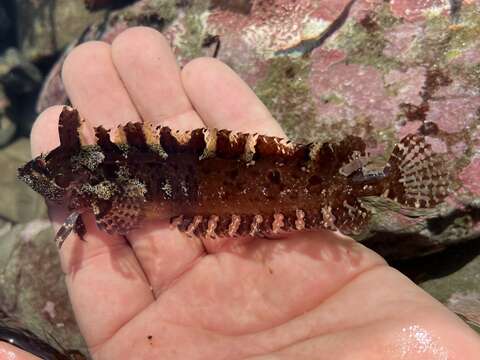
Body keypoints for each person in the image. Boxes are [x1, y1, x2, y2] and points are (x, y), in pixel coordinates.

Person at [3, 26, 480, 359]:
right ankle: (381, 185)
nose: (41, 179)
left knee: (277, 195)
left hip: (220, 190)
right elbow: (122, 203)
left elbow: (121, 209)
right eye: (47, 174)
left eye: (47, 177)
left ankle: (389, 183)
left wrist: (93, 213)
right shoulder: (93, 178)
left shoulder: (98, 181)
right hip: (201, 193)